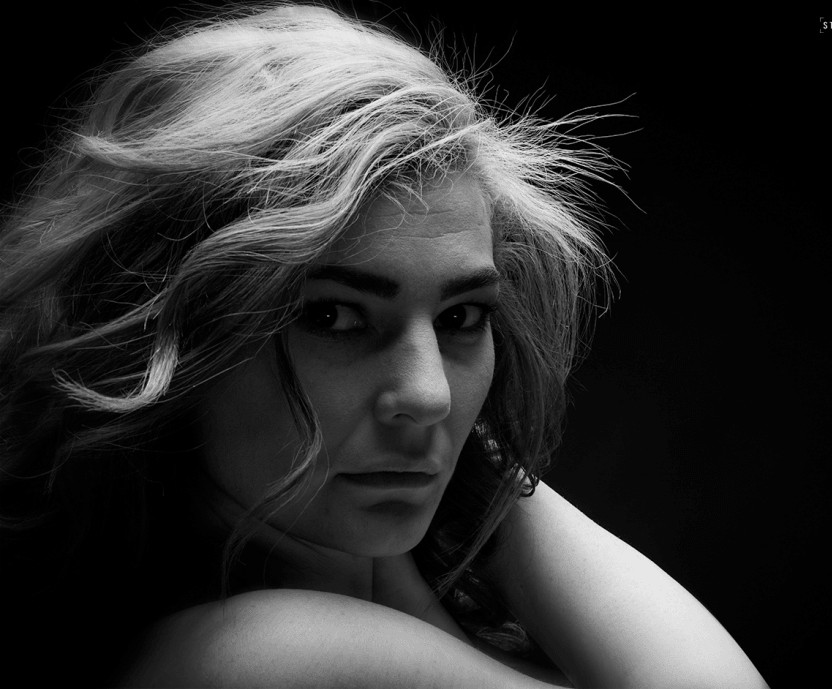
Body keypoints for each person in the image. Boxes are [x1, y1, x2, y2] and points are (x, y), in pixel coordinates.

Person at [0, 3, 768, 687]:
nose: (430, 393)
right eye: (334, 316)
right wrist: (487, 490)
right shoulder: (262, 650)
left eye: (461, 316)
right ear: (161, 337)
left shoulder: (359, 610)